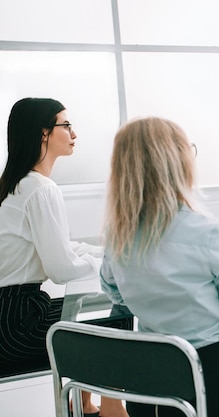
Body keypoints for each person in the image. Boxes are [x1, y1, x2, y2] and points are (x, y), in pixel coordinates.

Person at [100, 117, 219, 417]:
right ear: (178, 162)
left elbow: (114, 294)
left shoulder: (117, 237)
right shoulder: (212, 233)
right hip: (211, 389)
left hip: (147, 397)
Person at [0, 98, 128, 417]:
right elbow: (61, 269)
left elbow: (62, 247)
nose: (74, 133)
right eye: (66, 125)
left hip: (12, 313)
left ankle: (85, 405)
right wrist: (111, 264)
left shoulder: (17, 185)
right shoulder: (40, 188)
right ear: (43, 133)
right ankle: (112, 411)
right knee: (118, 318)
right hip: (17, 325)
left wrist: (108, 253)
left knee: (85, 312)